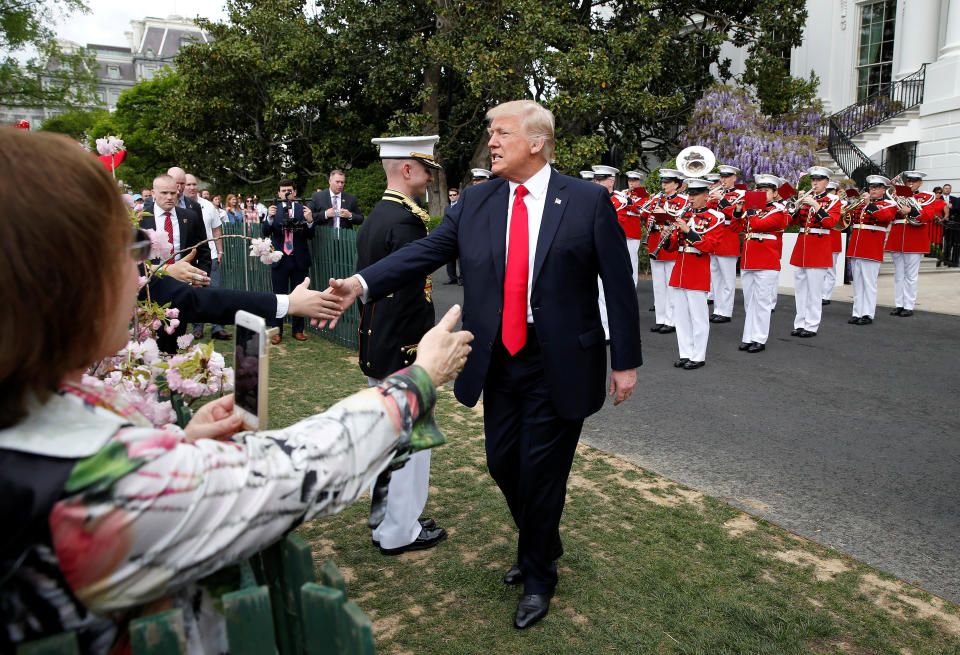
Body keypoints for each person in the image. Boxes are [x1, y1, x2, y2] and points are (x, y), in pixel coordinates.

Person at [0, 127, 474, 653]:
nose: (141, 271)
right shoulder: (85, 487)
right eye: (130, 248)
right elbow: (297, 471)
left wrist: (180, 447)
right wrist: (420, 379)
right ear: (65, 279)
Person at [320, 100, 641, 629]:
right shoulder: (477, 202)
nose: (491, 142)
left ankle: (539, 574)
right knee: (501, 463)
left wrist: (624, 359)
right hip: (498, 359)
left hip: (561, 359)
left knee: (541, 474)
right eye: (490, 133)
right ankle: (544, 541)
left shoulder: (586, 201)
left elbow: (618, 284)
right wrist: (359, 284)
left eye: (501, 133)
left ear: (536, 142)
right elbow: (423, 255)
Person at [357, 135, 447, 556]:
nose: (431, 177)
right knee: (410, 445)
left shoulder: (379, 214)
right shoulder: (406, 221)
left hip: (380, 342)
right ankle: (400, 530)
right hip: (403, 347)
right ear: (408, 169)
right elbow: (412, 297)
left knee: (388, 440)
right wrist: (423, 349)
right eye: (427, 169)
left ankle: (385, 523)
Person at [660, 178, 725, 369]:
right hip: (680, 268)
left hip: (698, 268)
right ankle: (685, 352)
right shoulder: (684, 215)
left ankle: (698, 356)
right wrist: (666, 238)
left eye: (696, 194)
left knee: (698, 316)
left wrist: (688, 230)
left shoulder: (715, 217)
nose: (691, 198)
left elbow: (710, 246)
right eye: (690, 194)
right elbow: (673, 246)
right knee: (680, 316)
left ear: (706, 195)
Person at [730, 174, 790, 353]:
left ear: (774, 193)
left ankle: (759, 338)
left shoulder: (778, 210)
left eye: (766, 191)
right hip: (749, 260)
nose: (762, 194)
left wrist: (751, 210)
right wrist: (739, 210)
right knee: (750, 302)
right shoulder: (753, 210)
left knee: (763, 302)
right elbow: (735, 227)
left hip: (766, 262)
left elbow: (758, 226)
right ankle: (748, 336)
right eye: (759, 190)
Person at [885, 170, 946, 317]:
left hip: (915, 238)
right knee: (899, 274)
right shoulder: (896, 195)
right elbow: (890, 213)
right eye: (908, 181)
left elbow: (928, 215)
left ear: (920, 183)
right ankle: (899, 304)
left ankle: (909, 305)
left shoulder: (926, 196)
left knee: (911, 275)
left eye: (914, 181)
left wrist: (911, 211)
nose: (910, 183)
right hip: (898, 236)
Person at [788, 166, 840, 337]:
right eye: (813, 180)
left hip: (819, 247)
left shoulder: (833, 200)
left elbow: (830, 223)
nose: (815, 183)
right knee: (801, 289)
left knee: (815, 291)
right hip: (803, 245)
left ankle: (811, 325)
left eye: (818, 180)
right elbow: (792, 222)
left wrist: (816, 206)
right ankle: (800, 323)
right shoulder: (806, 198)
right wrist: (795, 206)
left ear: (826, 182)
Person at [263, 179, 316, 343]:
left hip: (299, 258)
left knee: (299, 296)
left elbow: (310, 235)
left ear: (295, 192)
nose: (287, 193)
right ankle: (277, 331)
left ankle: (298, 329)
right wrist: (270, 219)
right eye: (283, 190)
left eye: (290, 190)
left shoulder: (303, 209)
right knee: (278, 296)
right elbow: (265, 231)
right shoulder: (274, 209)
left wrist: (309, 221)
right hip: (280, 259)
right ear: (278, 193)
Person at [639, 168, 688, 334]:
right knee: (659, 285)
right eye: (663, 182)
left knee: (671, 285)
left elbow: (682, 222)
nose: (664, 185)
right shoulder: (656, 201)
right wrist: (651, 223)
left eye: (667, 182)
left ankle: (671, 319)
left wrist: (665, 215)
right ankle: (660, 318)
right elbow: (647, 223)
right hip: (656, 244)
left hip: (670, 245)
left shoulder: (683, 201)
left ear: (676, 184)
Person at [846, 176, 899, 325]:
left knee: (869, 282)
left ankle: (868, 313)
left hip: (871, 247)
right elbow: (850, 220)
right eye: (871, 187)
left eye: (876, 187)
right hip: (856, 246)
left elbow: (884, 217)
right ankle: (857, 312)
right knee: (858, 283)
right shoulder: (861, 204)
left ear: (883, 190)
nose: (873, 190)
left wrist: (869, 204)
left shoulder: (889, 204)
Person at [591, 164, 635, 339]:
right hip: (593, 249)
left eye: (601, 179)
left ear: (611, 181)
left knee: (609, 291)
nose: (597, 182)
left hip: (609, 249)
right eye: (596, 179)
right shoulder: (590, 197)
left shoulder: (620, 200)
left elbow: (614, 224)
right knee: (596, 291)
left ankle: (610, 330)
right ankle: (601, 327)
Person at [185, 174, 230, 341]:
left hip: (211, 255)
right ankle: (198, 328)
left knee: (215, 291)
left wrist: (220, 252)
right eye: (188, 184)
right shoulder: (180, 206)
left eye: (194, 184)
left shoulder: (208, 206)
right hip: (190, 258)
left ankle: (218, 328)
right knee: (196, 293)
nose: (191, 187)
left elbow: (216, 230)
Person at [705, 164, 745, 323]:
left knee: (728, 280)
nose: (724, 180)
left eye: (727, 177)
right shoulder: (716, 193)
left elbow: (738, 214)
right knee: (716, 278)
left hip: (729, 237)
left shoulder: (740, 194)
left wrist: (722, 200)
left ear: (734, 178)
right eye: (722, 177)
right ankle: (717, 309)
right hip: (715, 238)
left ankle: (726, 311)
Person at [821, 179, 845, 306]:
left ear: (835, 191)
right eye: (827, 190)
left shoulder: (840, 203)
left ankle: (826, 295)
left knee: (830, 269)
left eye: (831, 190)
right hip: (821, 238)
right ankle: (820, 293)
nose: (829, 192)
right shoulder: (821, 202)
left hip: (833, 238)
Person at [444, 186, 462, 284]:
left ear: (458, 195)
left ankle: (462, 278)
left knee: (460, 259)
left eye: (454, 195)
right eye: (450, 195)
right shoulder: (447, 208)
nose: (452, 197)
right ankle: (452, 278)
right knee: (449, 258)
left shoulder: (461, 206)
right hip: (449, 236)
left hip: (459, 236)